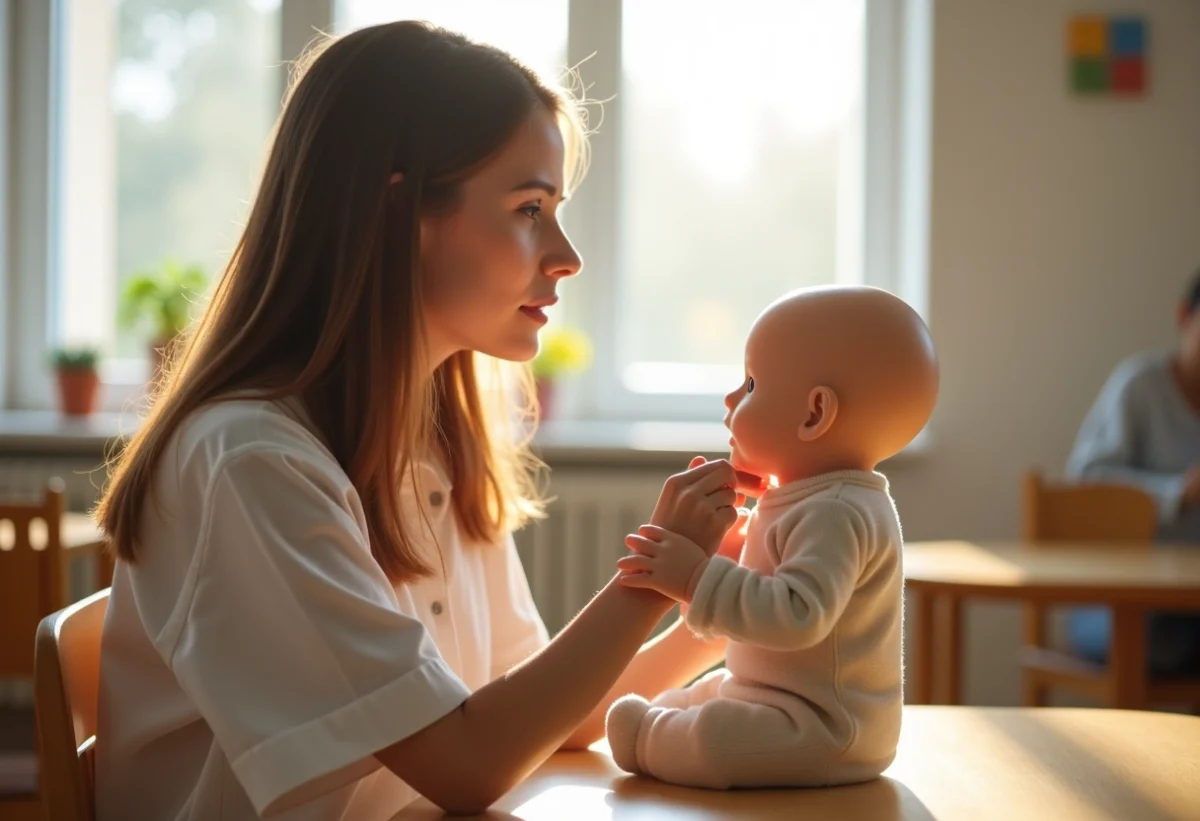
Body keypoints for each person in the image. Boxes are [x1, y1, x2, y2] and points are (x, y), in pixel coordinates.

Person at [91, 22, 762, 820]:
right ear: (394, 212)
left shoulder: (435, 445)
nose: (566, 254)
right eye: (529, 208)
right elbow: (466, 762)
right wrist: (655, 572)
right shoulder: (250, 462)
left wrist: (724, 596)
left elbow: (549, 721)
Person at [604, 286, 939, 788]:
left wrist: (697, 578)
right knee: (714, 691)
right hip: (773, 694)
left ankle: (650, 738)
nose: (730, 398)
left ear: (813, 415)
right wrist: (734, 559)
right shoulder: (812, 499)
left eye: (752, 385)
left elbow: (797, 616)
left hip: (826, 728)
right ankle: (663, 720)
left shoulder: (836, 512)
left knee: (719, 739)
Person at [1064, 268, 1200, 676]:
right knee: (1163, 639)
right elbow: (1086, 485)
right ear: (1183, 316)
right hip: (1125, 606)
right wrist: (1178, 492)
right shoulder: (1140, 387)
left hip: (1189, 608)